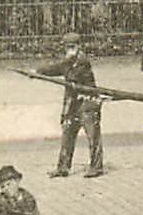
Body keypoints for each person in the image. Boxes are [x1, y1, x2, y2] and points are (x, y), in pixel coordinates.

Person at [38, 34, 104, 178]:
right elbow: (55, 69)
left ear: (79, 46)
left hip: (88, 103)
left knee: (93, 136)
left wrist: (56, 69)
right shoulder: (69, 61)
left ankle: (96, 167)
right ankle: (63, 167)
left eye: (72, 46)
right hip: (73, 104)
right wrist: (39, 71)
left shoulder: (82, 61)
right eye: (67, 47)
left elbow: (73, 75)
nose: (69, 50)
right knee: (67, 134)